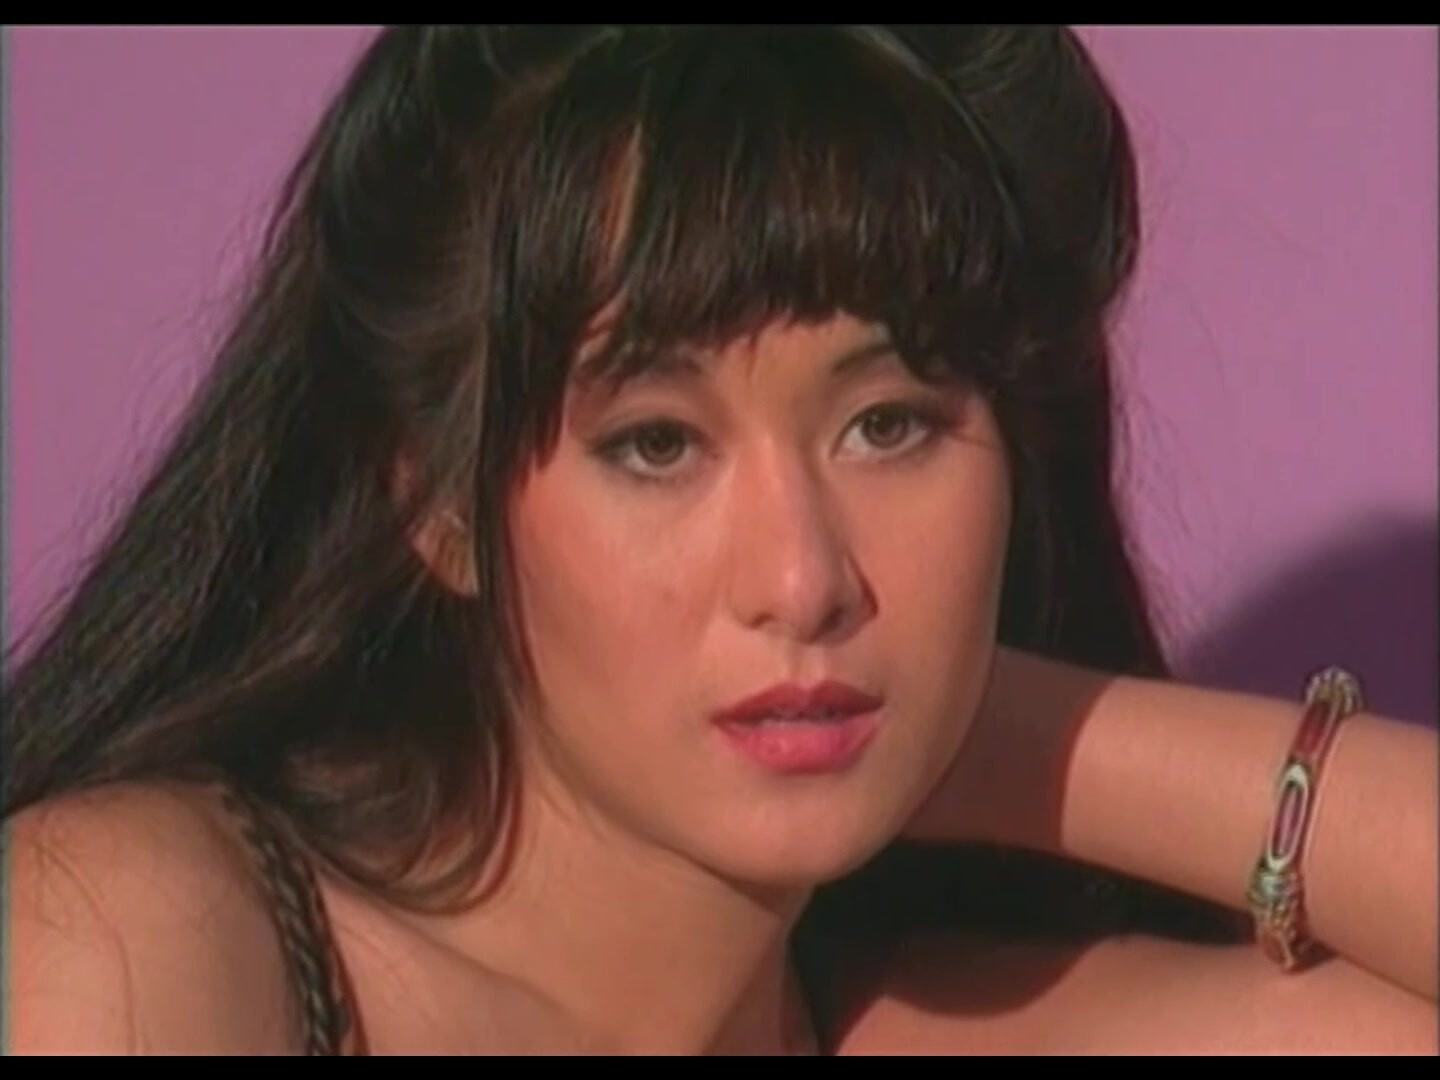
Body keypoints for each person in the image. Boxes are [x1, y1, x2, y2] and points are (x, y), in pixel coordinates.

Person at [5, 26, 1435, 1056]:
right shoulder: (143, 942)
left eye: (888, 425)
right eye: (656, 445)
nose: (803, 581)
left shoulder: (939, 1020)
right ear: (434, 506)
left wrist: (1007, 732)